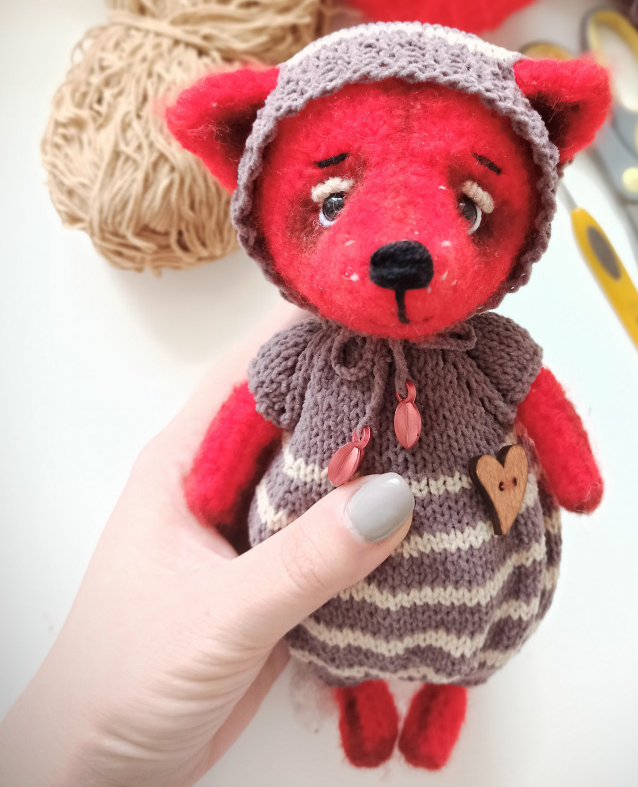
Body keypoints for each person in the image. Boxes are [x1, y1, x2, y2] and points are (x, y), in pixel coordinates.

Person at [0, 305, 415, 786]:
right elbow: (248, 413)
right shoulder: (302, 354)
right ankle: (358, 688)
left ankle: (438, 692)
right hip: (321, 605)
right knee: (340, 642)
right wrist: (216, 492)